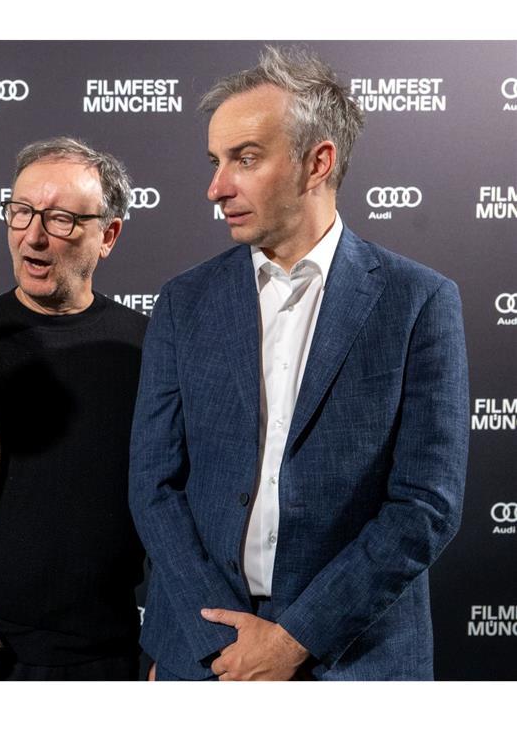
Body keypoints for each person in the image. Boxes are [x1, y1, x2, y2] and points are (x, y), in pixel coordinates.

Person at [129, 46, 469, 681]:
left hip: (356, 660)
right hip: (203, 657)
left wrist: (293, 639)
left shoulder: (418, 300)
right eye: (215, 161)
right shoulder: (183, 301)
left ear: (318, 162)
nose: (216, 187)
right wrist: (219, 640)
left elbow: (427, 503)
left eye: (245, 159)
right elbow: (154, 483)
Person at [0, 137, 150, 680]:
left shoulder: (149, 349)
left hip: (101, 658)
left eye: (62, 219)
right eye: (20, 213)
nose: (33, 236)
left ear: (108, 235)